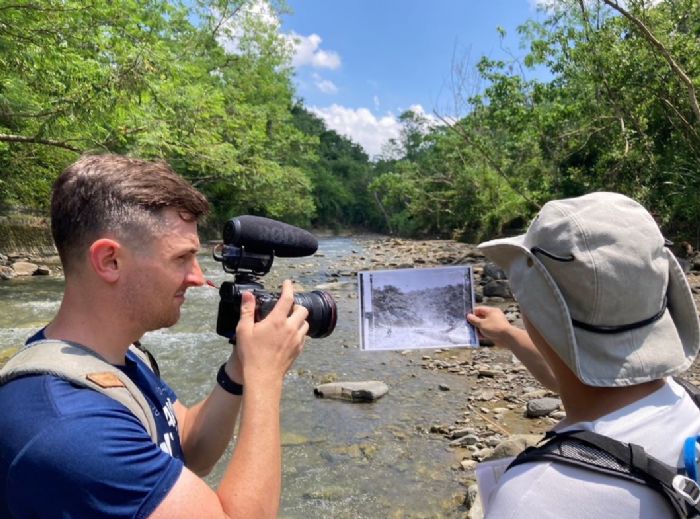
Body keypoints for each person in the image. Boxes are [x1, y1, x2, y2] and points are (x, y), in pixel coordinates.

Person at [0, 154, 309, 518]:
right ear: (110, 261)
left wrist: (240, 369)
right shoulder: (70, 426)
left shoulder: (117, 358)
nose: (198, 278)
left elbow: (188, 446)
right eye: (181, 258)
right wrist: (266, 377)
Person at [467, 192, 700, 518]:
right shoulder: (683, 400)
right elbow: (586, 380)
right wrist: (507, 335)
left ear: (535, 309)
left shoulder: (534, 499)